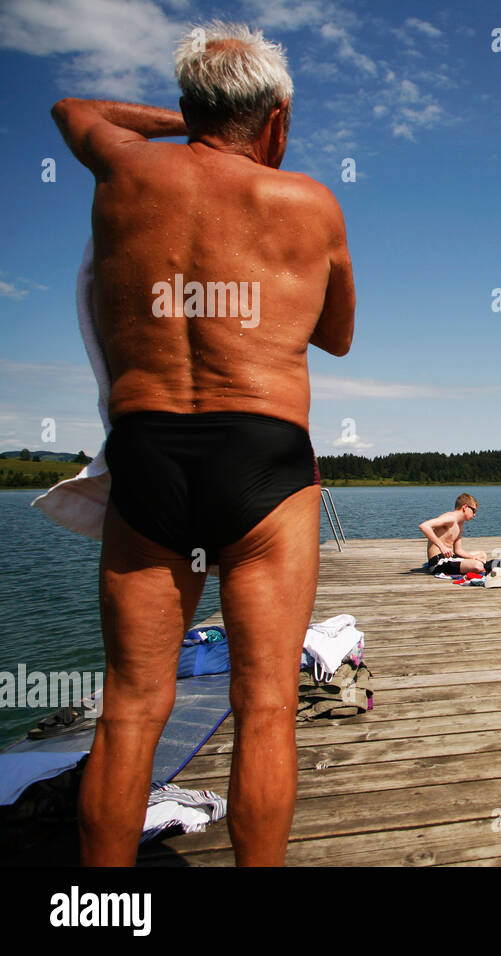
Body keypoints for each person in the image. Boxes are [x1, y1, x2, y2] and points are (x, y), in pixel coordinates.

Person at [53, 21, 355, 866]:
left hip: (150, 453)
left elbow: (70, 106)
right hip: (263, 455)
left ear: (189, 106)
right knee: (265, 706)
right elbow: (337, 336)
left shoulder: (122, 170)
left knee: (131, 705)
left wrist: (179, 123)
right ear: (278, 121)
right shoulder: (308, 201)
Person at [420, 493, 487, 574]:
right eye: (474, 510)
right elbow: (424, 526)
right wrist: (442, 547)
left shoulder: (460, 524)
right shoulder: (450, 518)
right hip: (438, 561)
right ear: (465, 507)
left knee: (482, 555)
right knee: (478, 565)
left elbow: (458, 550)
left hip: (451, 557)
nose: (474, 514)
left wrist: (473, 557)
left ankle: (468, 565)